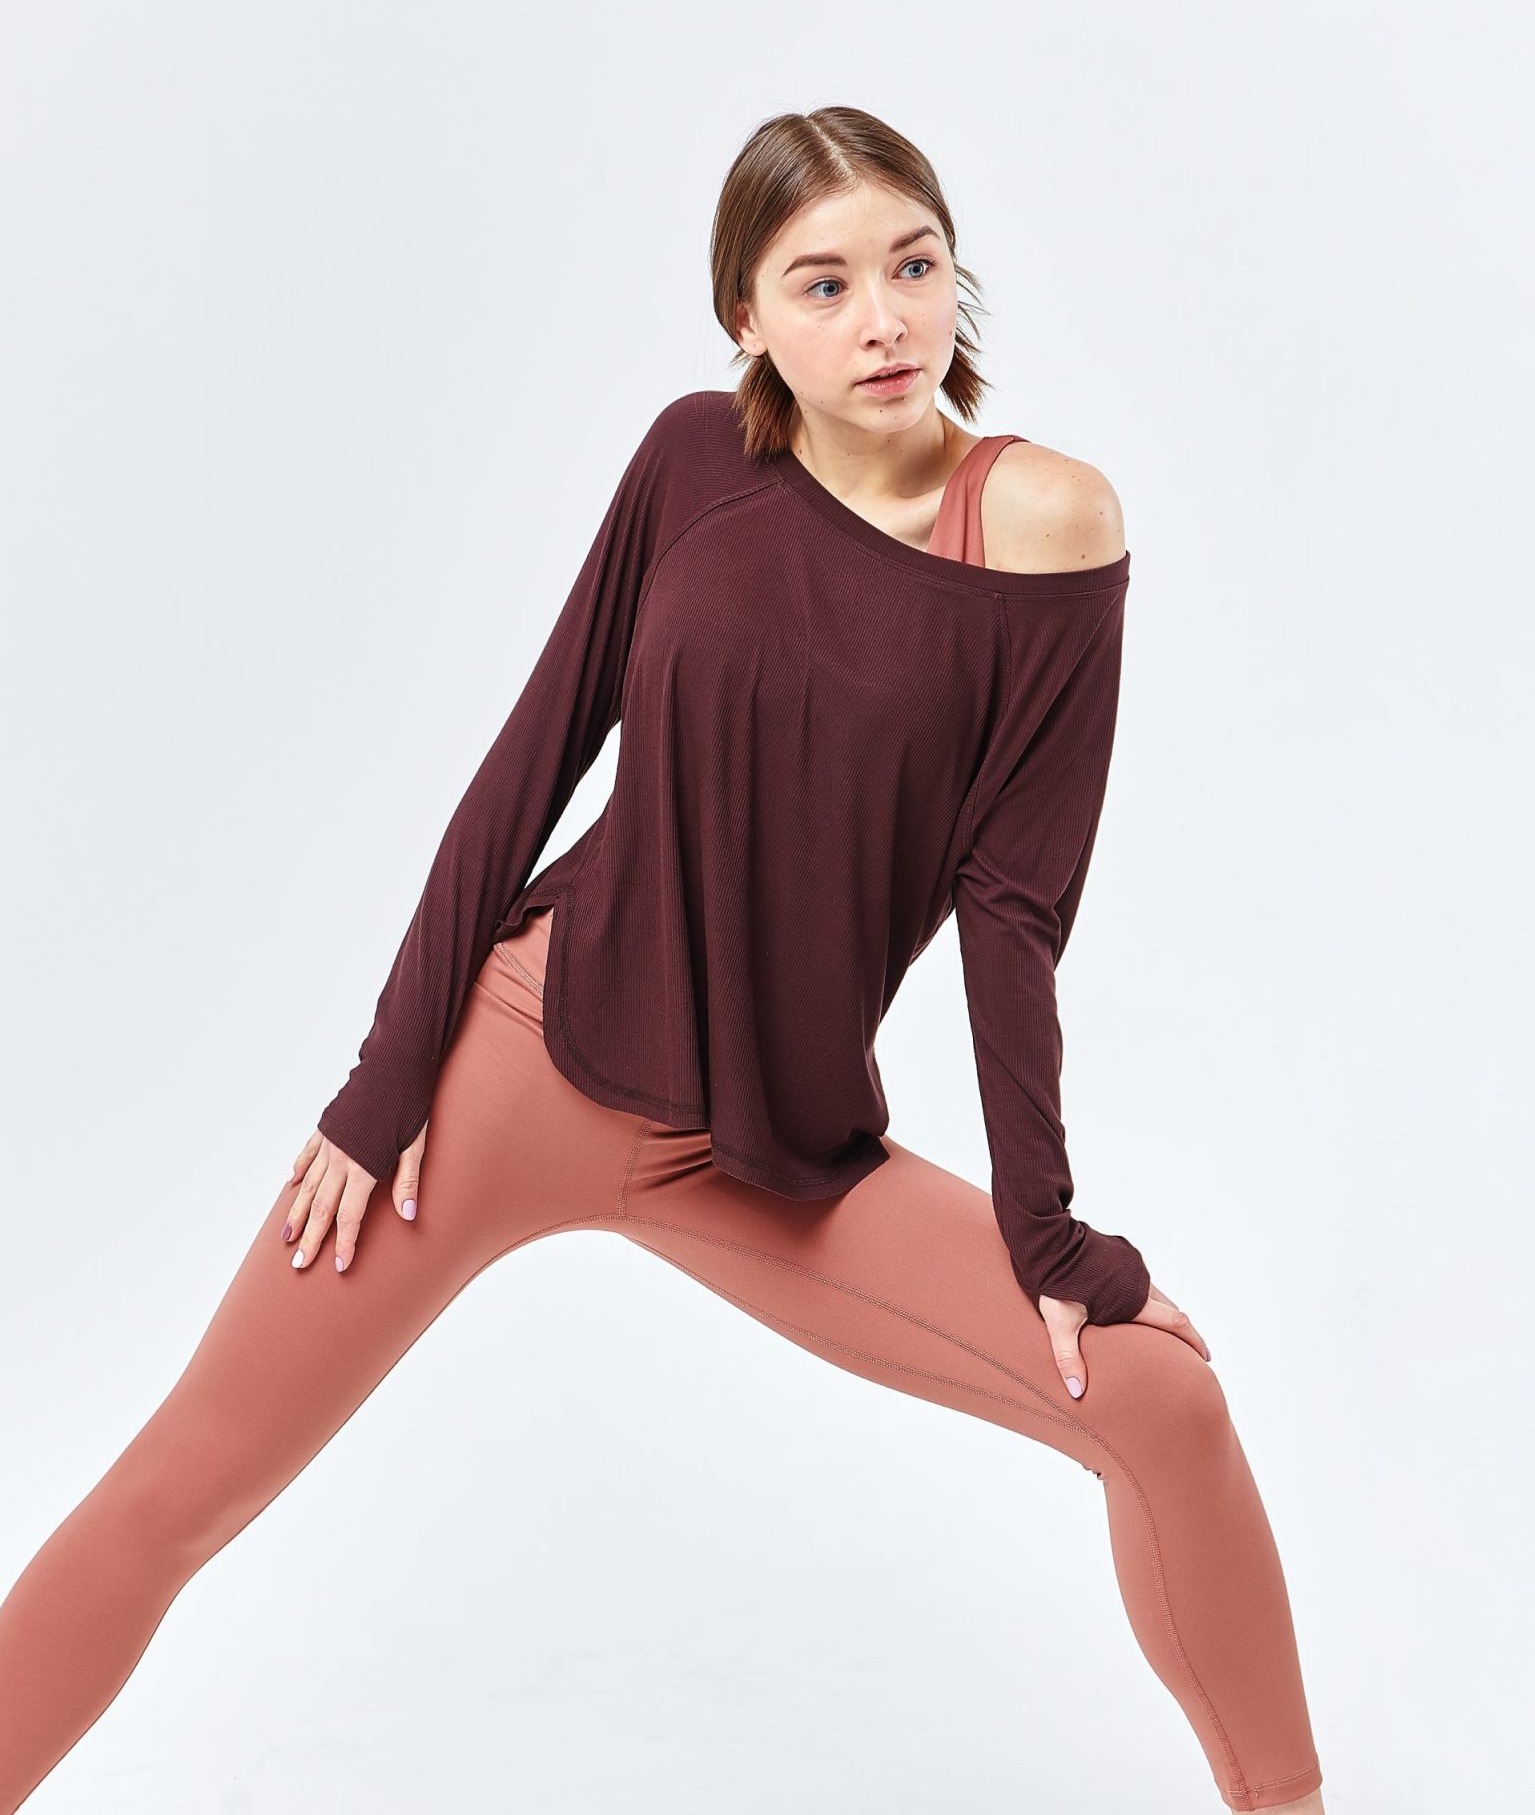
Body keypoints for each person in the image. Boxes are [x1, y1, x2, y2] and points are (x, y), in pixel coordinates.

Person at [0, 105, 1325, 1813]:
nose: (884, 320)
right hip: (515, 1061)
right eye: (824, 283)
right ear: (746, 318)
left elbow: (1015, 910)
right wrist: (381, 1084)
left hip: (768, 1150)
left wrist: (1047, 1232)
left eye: (913, 266)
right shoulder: (697, 462)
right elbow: (532, 758)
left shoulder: (1043, 525)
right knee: (185, 1483)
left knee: (1163, 1402)